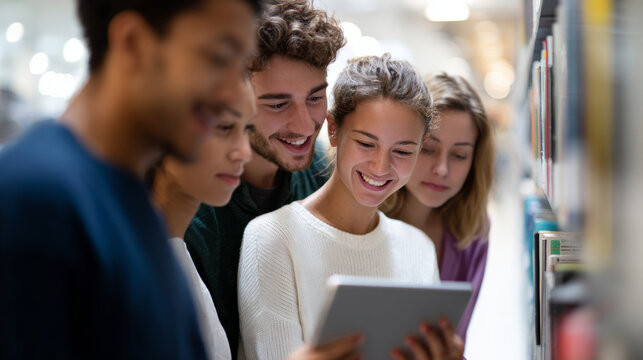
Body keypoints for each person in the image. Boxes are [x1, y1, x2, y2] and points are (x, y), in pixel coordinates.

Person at [0, 0, 260, 358]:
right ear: (133, 42)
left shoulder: (135, 212)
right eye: (217, 59)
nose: (233, 93)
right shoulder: (35, 197)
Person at [238, 54, 465, 360]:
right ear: (333, 130)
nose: (381, 166)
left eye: (402, 150)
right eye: (366, 144)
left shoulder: (417, 248)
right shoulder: (272, 238)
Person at [152, 77, 363, 360]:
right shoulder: (125, 258)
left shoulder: (173, 252)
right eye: (224, 128)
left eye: (245, 128)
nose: (242, 150)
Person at [184, 0, 345, 357]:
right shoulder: (191, 208)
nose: (305, 125)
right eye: (277, 104)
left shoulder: (326, 174)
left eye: (315, 97)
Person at [381, 73, 495, 345]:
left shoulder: (472, 230)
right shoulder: (361, 218)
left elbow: (458, 342)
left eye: (459, 155)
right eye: (429, 149)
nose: (442, 169)